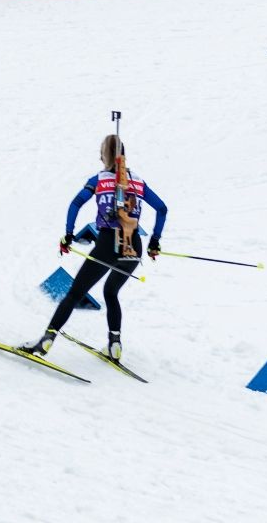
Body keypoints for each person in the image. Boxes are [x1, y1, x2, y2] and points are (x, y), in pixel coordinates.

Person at [22, 134, 167, 362]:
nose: (99, 157)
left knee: (74, 294)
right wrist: (154, 241)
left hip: (107, 244)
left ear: (105, 156)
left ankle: (46, 340)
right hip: (133, 246)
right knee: (111, 292)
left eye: (101, 153)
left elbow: (76, 203)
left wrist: (69, 234)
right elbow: (162, 209)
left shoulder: (99, 179)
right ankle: (115, 345)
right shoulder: (139, 182)